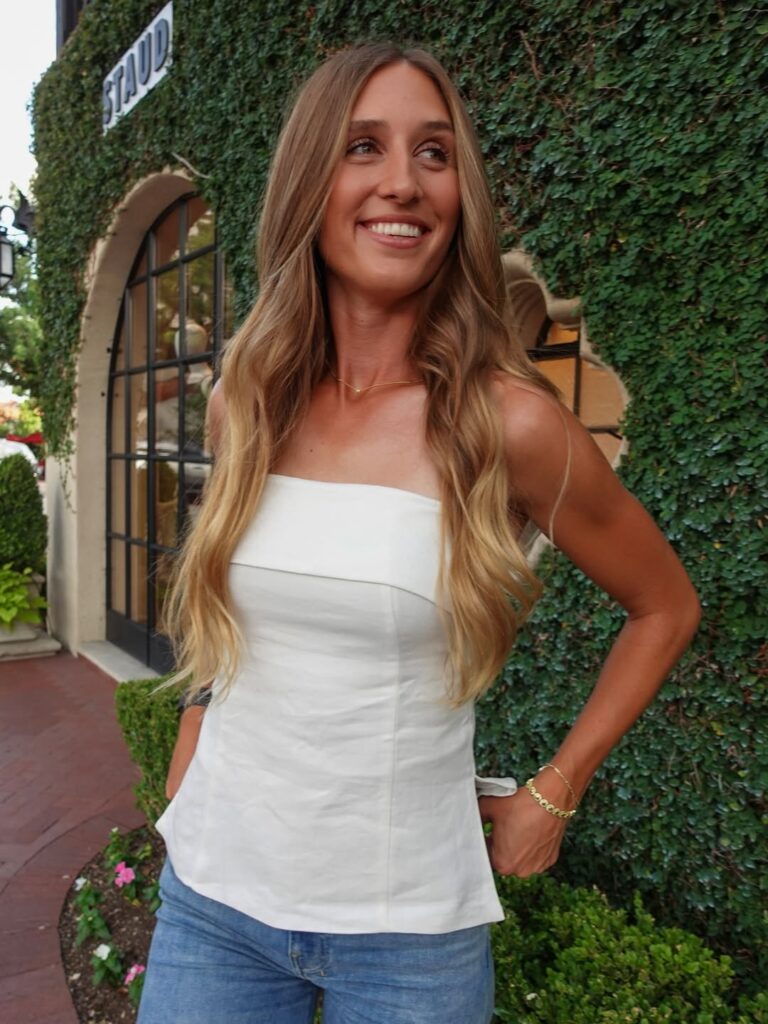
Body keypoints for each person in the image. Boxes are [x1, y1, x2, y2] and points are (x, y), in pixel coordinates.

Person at [137, 42, 701, 1024]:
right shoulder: (247, 404)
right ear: (309, 183)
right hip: (213, 900)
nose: (403, 180)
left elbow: (665, 606)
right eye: (363, 146)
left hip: (407, 939)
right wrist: (189, 752)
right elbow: (238, 619)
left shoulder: (509, 424)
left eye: (433, 153)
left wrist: (556, 790)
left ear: (458, 196)